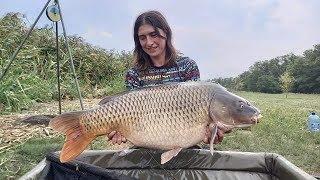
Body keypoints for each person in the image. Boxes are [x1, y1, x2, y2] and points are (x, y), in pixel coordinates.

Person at [108, 10, 228, 146]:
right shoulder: (134, 73)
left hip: (184, 143)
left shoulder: (187, 66)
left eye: (154, 35)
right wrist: (119, 130)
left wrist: (210, 133)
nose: (149, 42)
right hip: (146, 143)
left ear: (166, 33)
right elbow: (127, 112)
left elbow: (199, 113)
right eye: (142, 37)